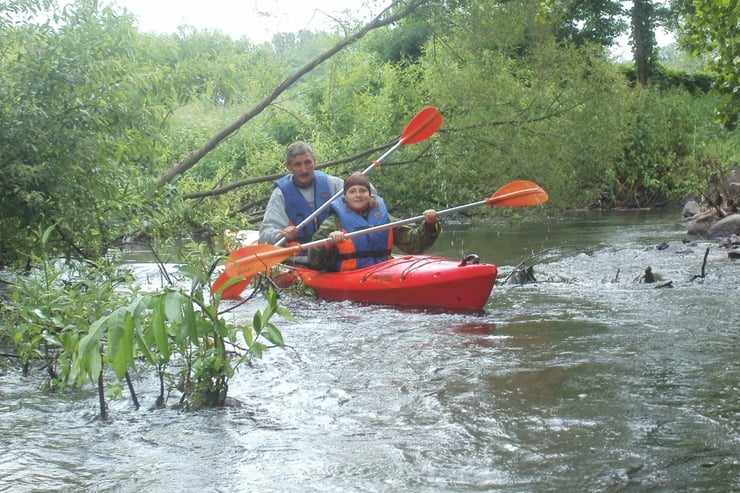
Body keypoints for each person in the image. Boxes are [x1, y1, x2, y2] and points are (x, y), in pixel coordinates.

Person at [309, 173, 440, 271]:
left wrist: (429, 225)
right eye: (352, 191)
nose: (358, 195)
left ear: (369, 194)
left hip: (384, 271)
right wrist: (328, 244)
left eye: (363, 190)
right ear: (346, 197)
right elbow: (315, 261)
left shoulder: (384, 217)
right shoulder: (334, 222)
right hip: (349, 276)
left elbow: (413, 244)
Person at [258, 142, 344, 262]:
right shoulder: (280, 194)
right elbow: (265, 234)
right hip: (301, 259)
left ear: (315, 161)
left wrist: (371, 200)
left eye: (308, 162)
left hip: (334, 254)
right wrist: (281, 234)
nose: (304, 170)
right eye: (297, 165)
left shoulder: (334, 184)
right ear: (288, 166)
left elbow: (364, 191)